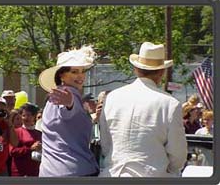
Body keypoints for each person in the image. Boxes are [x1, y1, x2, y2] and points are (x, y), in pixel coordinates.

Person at [99, 42, 188, 177]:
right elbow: (178, 153)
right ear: (162, 72)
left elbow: (106, 144)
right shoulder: (170, 104)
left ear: (135, 69)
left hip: (114, 173)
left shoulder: (112, 97)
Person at [38, 45, 99, 177]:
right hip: (75, 171)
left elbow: (67, 119)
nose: (81, 76)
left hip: (49, 171)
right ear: (62, 75)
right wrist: (70, 104)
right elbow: (67, 110)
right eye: (74, 71)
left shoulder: (52, 97)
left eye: (82, 71)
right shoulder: (69, 93)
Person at [9, 103, 42, 176]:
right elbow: (12, 151)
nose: (26, 118)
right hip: (19, 173)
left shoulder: (40, 134)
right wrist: (30, 149)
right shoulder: (16, 132)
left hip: (35, 172)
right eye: (24, 115)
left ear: (34, 116)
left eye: (29, 115)